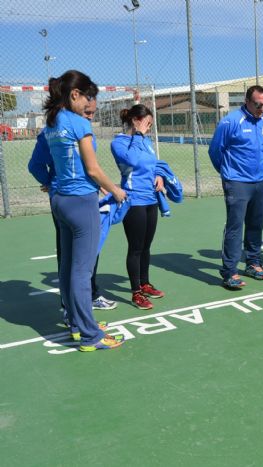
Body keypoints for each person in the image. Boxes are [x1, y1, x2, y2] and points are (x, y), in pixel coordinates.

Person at [43, 70, 126, 351]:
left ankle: (78, 324)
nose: (90, 103)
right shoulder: (79, 124)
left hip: (60, 201)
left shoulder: (52, 122)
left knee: (68, 269)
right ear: (74, 95)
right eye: (88, 97)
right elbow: (92, 169)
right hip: (80, 202)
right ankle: (91, 336)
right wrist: (115, 190)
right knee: (81, 272)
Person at [29, 99, 118, 313]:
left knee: (82, 251)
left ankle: (83, 300)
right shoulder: (60, 129)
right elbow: (35, 165)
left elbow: (86, 166)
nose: (90, 116)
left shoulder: (72, 128)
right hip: (73, 198)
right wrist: (50, 182)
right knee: (73, 255)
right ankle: (76, 307)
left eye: (93, 112)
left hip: (77, 195)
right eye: (87, 111)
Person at [208, 85, 263, 290]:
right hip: (237, 183)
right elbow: (215, 151)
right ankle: (229, 272)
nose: (262, 108)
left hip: (260, 182)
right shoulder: (231, 121)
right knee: (235, 227)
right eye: (258, 104)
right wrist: (229, 175)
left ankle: (253, 263)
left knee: (256, 224)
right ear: (247, 102)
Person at [111, 104, 165, 309]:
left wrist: (159, 176)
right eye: (147, 123)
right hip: (133, 201)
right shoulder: (119, 143)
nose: (149, 128)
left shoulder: (146, 140)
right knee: (135, 248)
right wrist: (138, 134)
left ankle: (145, 283)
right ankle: (136, 292)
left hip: (151, 199)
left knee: (146, 247)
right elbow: (132, 160)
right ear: (135, 121)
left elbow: (153, 164)